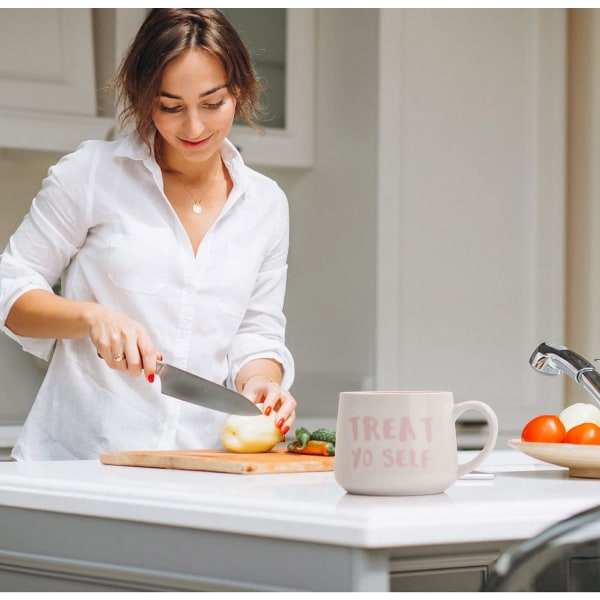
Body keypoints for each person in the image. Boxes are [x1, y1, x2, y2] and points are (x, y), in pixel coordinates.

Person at [0, 8, 297, 460]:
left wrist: (261, 382)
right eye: (171, 106)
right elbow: (10, 292)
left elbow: (256, 331)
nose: (194, 127)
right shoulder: (92, 174)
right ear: (144, 99)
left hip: (197, 469)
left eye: (213, 103)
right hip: (76, 465)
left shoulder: (266, 204)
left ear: (239, 90)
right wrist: (91, 318)